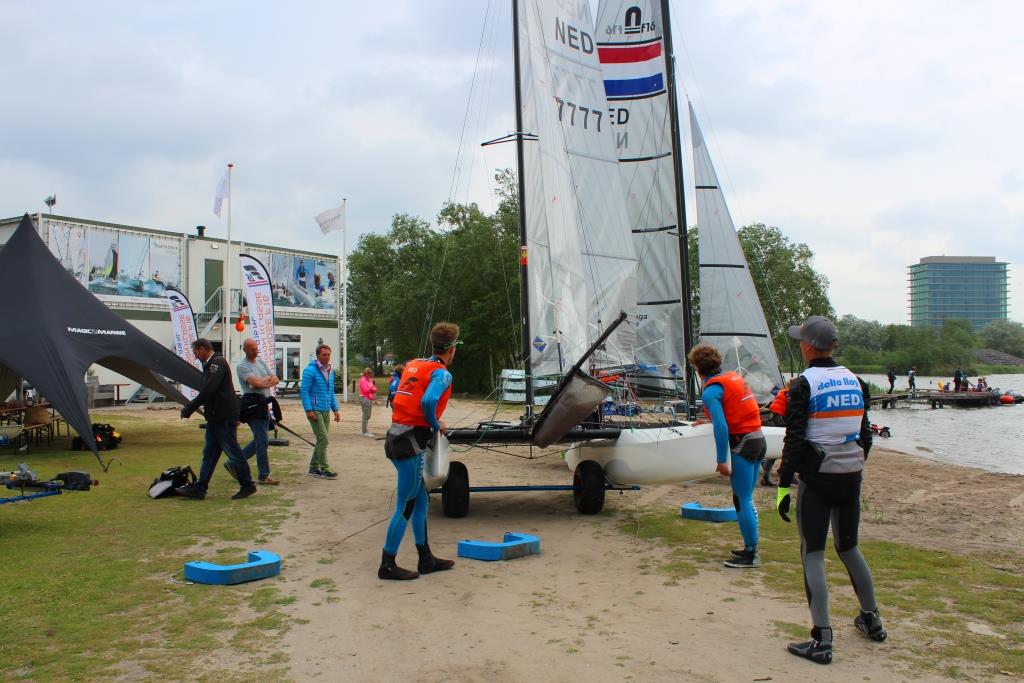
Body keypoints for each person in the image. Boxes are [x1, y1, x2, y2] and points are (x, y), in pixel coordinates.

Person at [776, 316, 887, 665]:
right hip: (851, 475)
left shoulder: (803, 384)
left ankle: (821, 640)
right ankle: (872, 620)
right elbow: (865, 433)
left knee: (812, 554)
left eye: (801, 341)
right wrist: (855, 463)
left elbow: (794, 439)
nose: (799, 345)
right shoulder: (856, 380)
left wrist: (783, 484)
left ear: (809, 347)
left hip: (818, 478)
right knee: (849, 547)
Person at [378, 322, 460, 581]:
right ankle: (387, 564)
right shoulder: (442, 374)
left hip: (396, 437)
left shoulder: (414, 364)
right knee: (406, 504)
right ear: (452, 349)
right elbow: (428, 400)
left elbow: (404, 397)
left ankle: (426, 558)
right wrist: (436, 423)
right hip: (410, 444)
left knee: (421, 499)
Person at [687, 343, 767, 568]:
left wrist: (721, 460)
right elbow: (735, 410)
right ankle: (751, 547)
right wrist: (710, 419)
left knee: (742, 499)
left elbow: (722, 428)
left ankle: (751, 554)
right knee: (745, 498)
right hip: (758, 440)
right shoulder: (734, 377)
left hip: (742, 444)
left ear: (697, 368)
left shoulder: (711, 391)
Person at [177, 338, 257, 500]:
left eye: (196, 352)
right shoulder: (212, 364)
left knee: (233, 453)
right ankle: (200, 488)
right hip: (216, 418)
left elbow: (209, 390)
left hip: (223, 418)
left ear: (202, 348)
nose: (195, 356)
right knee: (210, 454)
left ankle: (247, 485)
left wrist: (189, 408)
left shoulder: (217, 363)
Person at [235, 338, 281, 486]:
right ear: (245, 350)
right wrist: (265, 380)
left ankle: (234, 462)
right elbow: (254, 383)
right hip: (253, 406)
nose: (255, 351)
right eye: (252, 349)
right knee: (262, 441)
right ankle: (263, 475)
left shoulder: (261, 362)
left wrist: (263, 381)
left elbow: (276, 379)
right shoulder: (242, 366)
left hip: (264, 405)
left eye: (256, 348)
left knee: (260, 440)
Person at [301, 344, 340, 479]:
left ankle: (313, 467)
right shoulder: (309, 370)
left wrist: (335, 409)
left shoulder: (330, 371)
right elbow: (304, 392)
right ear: (318, 355)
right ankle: (325, 469)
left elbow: (331, 393)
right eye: (324, 354)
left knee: (321, 440)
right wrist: (308, 409)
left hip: (326, 410)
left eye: (328, 355)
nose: (327, 357)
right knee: (323, 439)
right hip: (315, 410)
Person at [359, 367, 377, 437]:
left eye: (370, 373)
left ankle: (365, 430)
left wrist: (372, 389)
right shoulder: (363, 380)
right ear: (365, 373)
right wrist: (372, 389)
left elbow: (375, 388)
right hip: (365, 398)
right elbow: (366, 390)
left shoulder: (369, 380)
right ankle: (364, 431)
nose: (369, 374)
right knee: (365, 415)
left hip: (369, 398)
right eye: (368, 373)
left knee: (368, 415)